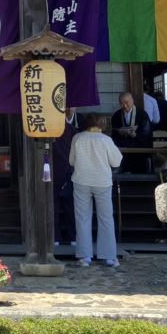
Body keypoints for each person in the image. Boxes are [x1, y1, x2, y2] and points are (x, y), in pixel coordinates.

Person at [69, 114, 123, 267]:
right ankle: (109, 256)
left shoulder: (77, 138)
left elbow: (71, 161)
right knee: (106, 218)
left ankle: (84, 256)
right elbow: (116, 161)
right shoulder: (106, 140)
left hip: (81, 179)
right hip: (102, 181)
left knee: (82, 218)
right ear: (101, 124)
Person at [51, 108, 80, 245]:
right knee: (70, 206)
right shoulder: (72, 130)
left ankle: (55, 237)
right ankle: (72, 237)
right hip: (69, 171)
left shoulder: (48, 129)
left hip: (52, 171)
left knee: (54, 206)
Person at [111, 92, 153, 172]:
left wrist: (136, 135)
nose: (124, 106)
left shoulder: (142, 114)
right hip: (123, 148)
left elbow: (146, 133)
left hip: (139, 147)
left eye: (126, 102)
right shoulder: (116, 115)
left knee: (140, 168)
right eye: (121, 103)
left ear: (132, 100)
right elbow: (114, 133)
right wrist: (119, 132)